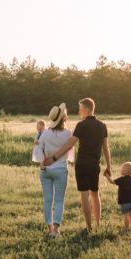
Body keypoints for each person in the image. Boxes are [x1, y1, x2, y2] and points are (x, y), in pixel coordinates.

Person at [44, 97, 112, 232]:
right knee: (95, 193)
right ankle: (98, 224)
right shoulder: (102, 125)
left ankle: (88, 227)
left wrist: (55, 157)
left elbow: (70, 144)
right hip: (95, 165)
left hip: (82, 165)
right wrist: (109, 166)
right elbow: (106, 148)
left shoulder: (81, 125)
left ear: (86, 109)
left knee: (84, 195)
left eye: (80, 108)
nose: (79, 111)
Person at [37, 103, 74, 237]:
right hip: (61, 170)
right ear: (63, 117)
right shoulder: (68, 133)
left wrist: (42, 163)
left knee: (47, 200)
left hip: (45, 170)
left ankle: (49, 229)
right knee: (59, 200)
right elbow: (70, 153)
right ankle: (56, 230)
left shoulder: (45, 133)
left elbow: (38, 151)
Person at [104, 161, 131, 231]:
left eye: (122, 169)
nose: (121, 170)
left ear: (126, 171)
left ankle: (127, 228)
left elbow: (112, 181)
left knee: (126, 215)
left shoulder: (121, 180)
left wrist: (107, 175)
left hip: (124, 201)